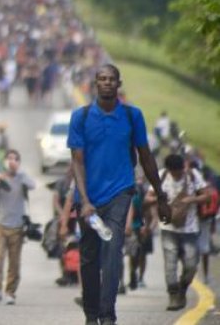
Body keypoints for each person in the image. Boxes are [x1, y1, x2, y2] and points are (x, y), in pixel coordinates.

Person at [67, 64, 171, 325]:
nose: (107, 83)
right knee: (89, 258)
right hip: (88, 198)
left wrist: (161, 195)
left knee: (112, 250)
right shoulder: (80, 117)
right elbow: (77, 162)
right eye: (102, 79)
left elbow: (145, 156)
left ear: (118, 83)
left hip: (120, 191)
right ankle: (91, 314)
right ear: (95, 83)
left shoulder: (132, 115)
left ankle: (107, 314)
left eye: (111, 79)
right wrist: (86, 201)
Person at [145, 154, 209, 310]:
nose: (176, 175)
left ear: (183, 168)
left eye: (179, 172)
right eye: (173, 172)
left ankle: (183, 287)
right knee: (170, 263)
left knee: (191, 264)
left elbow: (207, 196)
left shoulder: (193, 176)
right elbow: (148, 198)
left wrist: (191, 200)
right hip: (168, 228)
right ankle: (173, 295)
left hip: (190, 228)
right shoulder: (162, 176)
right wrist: (160, 199)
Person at [0, 149, 35, 305]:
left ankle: (10, 292)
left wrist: (19, 172)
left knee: (14, 263)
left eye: (15, 159)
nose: (12, 161)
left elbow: (33, 185)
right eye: (9, 158)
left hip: (17, 227)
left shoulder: (21, 178)